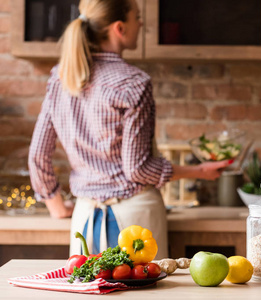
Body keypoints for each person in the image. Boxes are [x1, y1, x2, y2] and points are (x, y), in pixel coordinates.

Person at [28, 0, 231, 259]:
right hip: (134, 220)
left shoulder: (60, 77)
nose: (142, 23)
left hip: (84, 216)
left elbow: (37, 154)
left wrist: (55, 206)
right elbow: (138, 169)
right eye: (137, 17)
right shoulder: (134, 83)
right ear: (120, 28)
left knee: (89, 294)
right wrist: (199, 171)